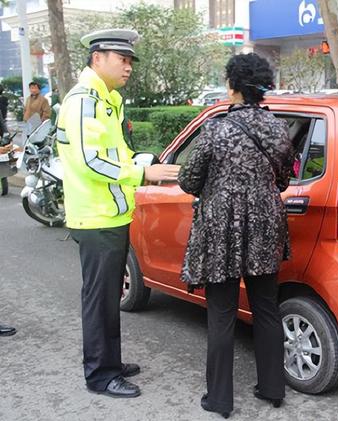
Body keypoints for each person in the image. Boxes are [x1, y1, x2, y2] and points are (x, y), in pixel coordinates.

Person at [56, 28, 180, 398]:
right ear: (98, 59)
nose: (128, 67)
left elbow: (115, 154)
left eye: (129, 61)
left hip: (112, 215)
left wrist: (139, 163)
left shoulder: (108, 100)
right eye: (122, 60)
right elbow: (89, 159)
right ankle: (100, 375)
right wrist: (143, 173)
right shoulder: (83, 102)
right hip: (95, 219)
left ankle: (110, 361)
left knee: (110, 297)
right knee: (99, 300)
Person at [178, 53, 294, 418]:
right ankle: (274, 387)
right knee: (266, 309)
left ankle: (220, 400)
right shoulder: (279, 128)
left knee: (222, 314)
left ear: (233, 86)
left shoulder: (216, 128)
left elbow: (188, 180)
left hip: (222, 228)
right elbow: (283, 180)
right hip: (264, 224)